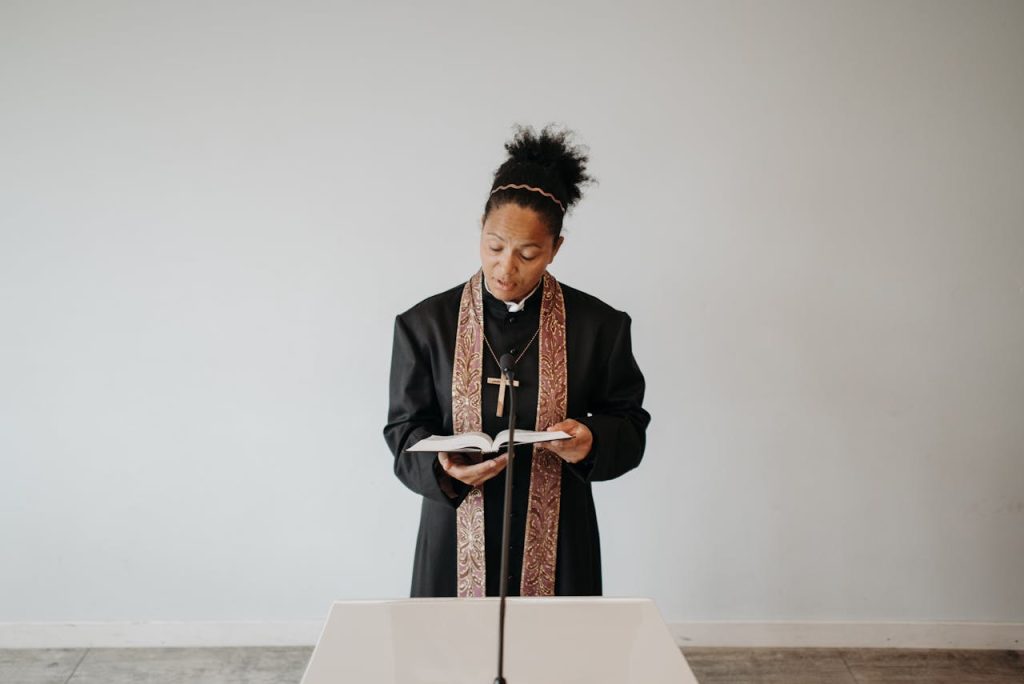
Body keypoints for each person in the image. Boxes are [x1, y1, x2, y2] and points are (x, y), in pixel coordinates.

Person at [383, 124, 650, 598]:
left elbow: (629, 427)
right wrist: (443, 468)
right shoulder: (423, 324)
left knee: (555, 664)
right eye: (494, 247)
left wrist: (592, 441)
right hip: (453, 540)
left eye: (528, 254)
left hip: (561, 540)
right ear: (480, 233)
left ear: (555, 249)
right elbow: (403, 431)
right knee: (449, 664)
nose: (506, 268)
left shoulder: (601, 326)